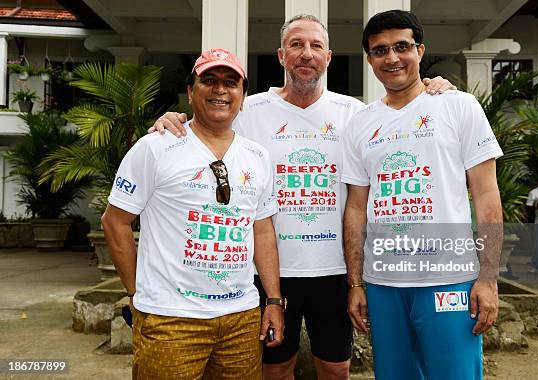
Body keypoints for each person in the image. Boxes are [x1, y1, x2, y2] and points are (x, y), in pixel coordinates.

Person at [151, 14, 455, 380]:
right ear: (281, 55)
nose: (306, 53)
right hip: (273, 273)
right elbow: (208, 118)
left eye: (315, 46)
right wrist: (170, 121)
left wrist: (437, 91)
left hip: (336, 270)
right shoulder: (250, 111)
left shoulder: (356, 115)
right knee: (275, 370)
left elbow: (405, 126)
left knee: (336, 368)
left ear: (329, 58)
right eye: (296, 44)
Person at [102, 48, 285, 379]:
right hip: (170, 319)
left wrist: (273, 300)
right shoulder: (155, 147)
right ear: (190, 91)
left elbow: (262, 230)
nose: (220, 90)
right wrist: (136, 294)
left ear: (242, 96)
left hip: (241, 319)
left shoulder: (258, 156)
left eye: (231, 82)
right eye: (209, 81)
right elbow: (115, 222)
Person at [341, 10, 503, 380]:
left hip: (450, 278)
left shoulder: (457, 106)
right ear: (369, 60)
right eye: (380, 50)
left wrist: (488, 278)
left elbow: (487, 196)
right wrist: (356, 283)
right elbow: (355, 208)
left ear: (420, 50)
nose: (392, 57)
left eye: (402, 46)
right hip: (384, 284)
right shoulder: (360, 124)